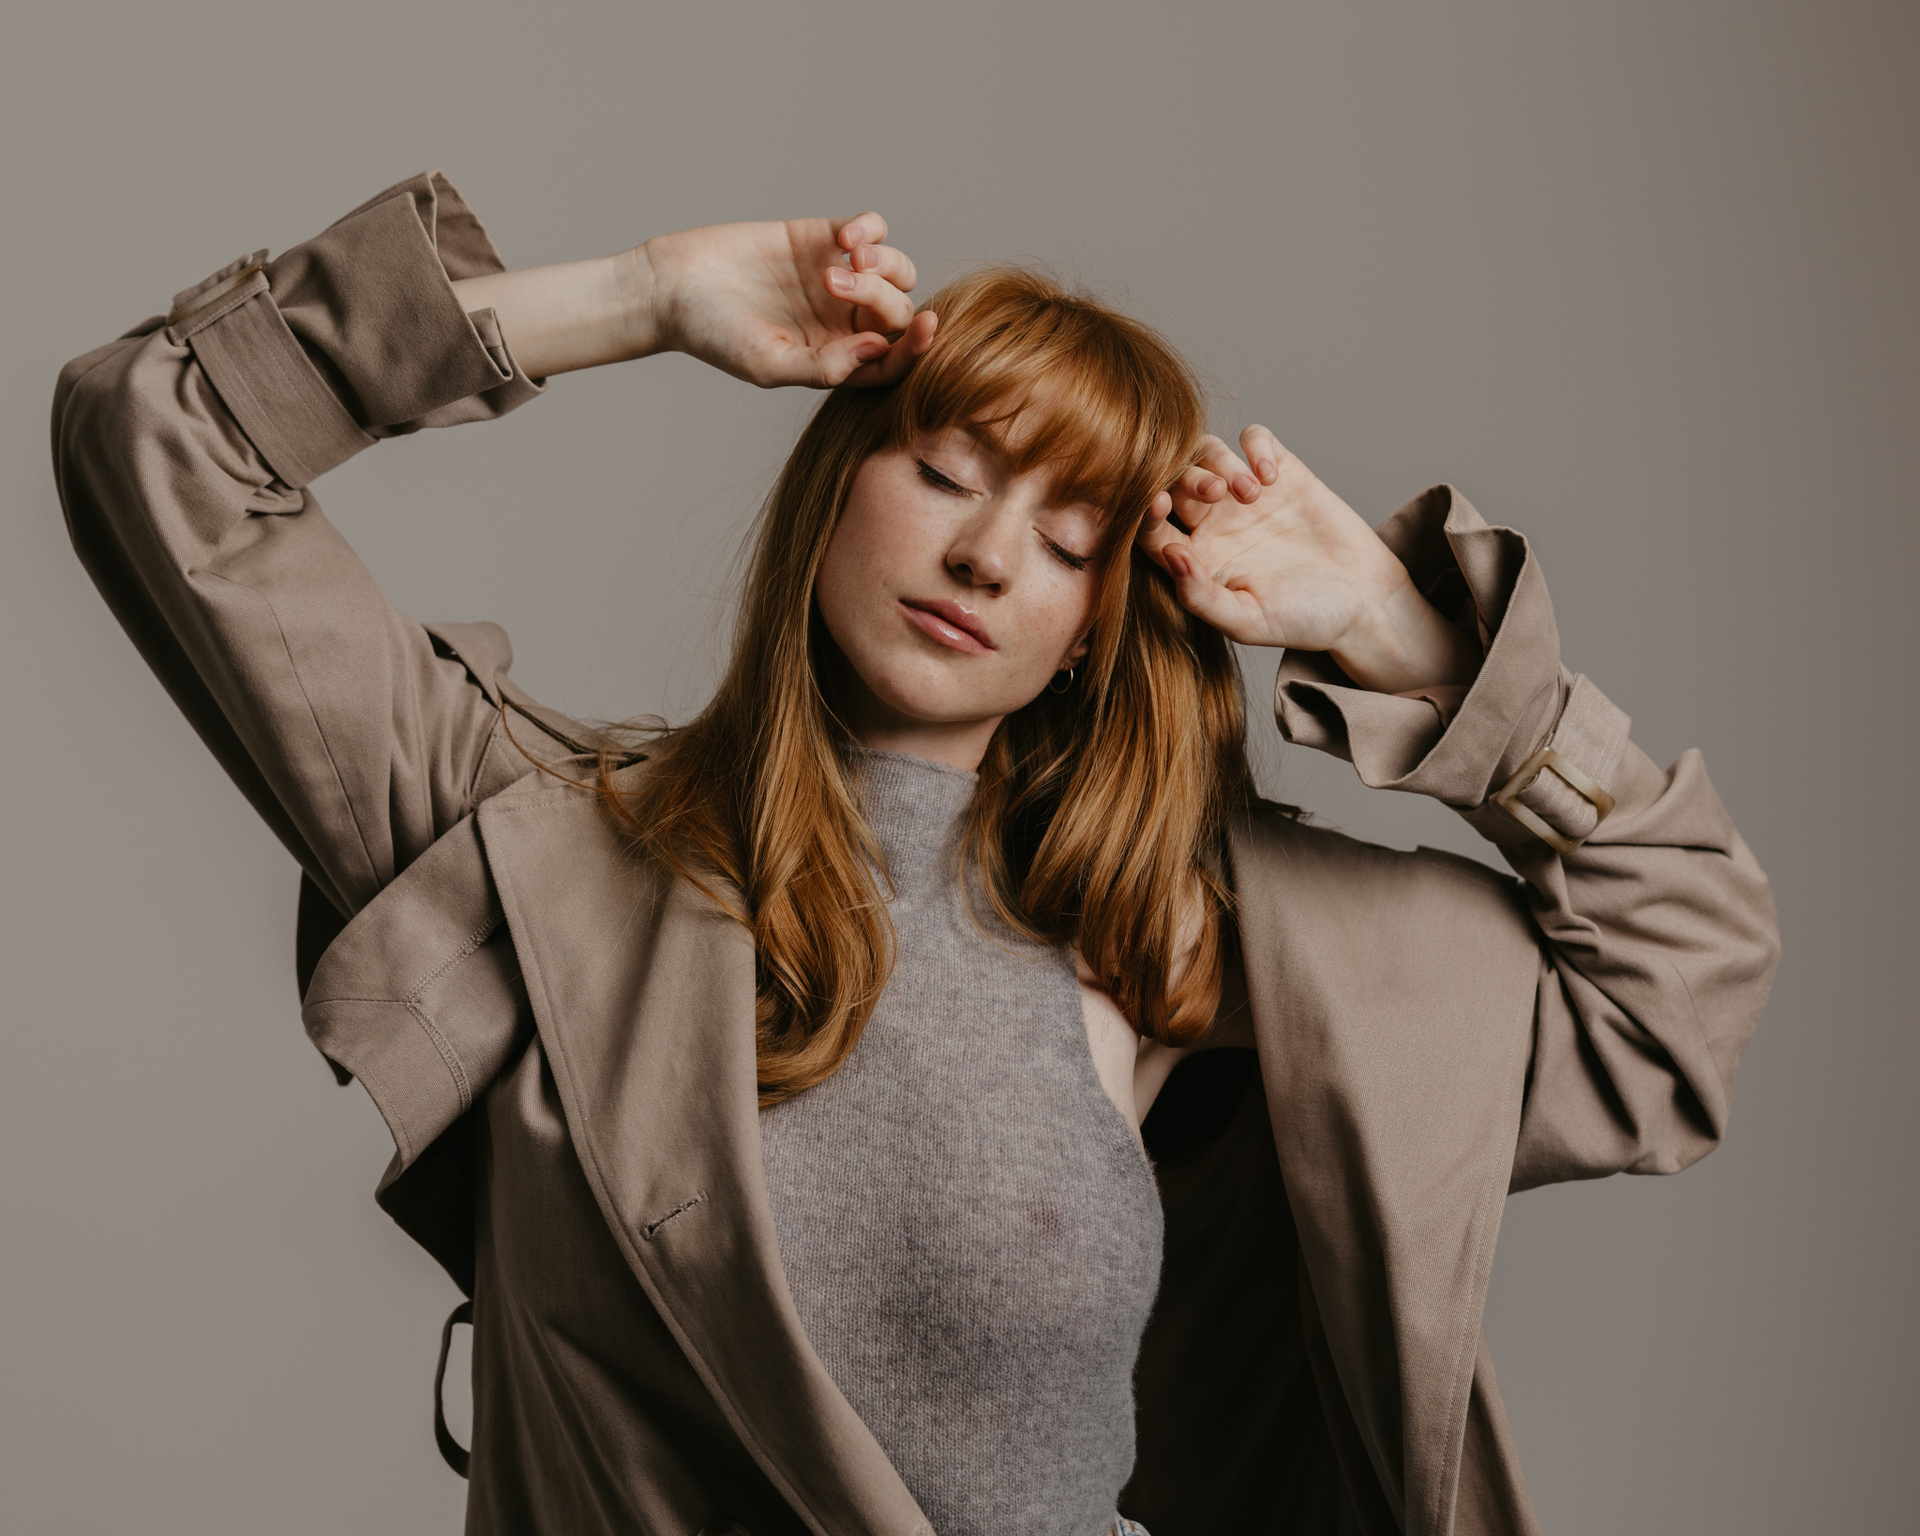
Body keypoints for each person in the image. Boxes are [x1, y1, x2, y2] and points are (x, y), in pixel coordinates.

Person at [52, 172, 1779, 1536]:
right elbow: (157, 426)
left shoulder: (1150, 934)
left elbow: (1671, 990)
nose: (985, 555)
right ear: (836, 489)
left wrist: (1401, 635)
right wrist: (644, 297)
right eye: (946, 469)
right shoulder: (536, 854)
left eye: (1068, 537)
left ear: (1098, 624)